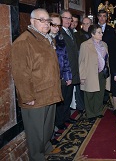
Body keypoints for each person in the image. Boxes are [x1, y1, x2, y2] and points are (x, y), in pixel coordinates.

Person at [11, 8, 63, 160]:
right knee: (35, 130)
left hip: (50, 92)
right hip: (35, 96)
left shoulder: (46, 38)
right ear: (32, 21)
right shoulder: (24, 42)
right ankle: (37, 155)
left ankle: (46, 147)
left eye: (48, 21)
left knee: (47, 126)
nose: (46, 24)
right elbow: (20, 72)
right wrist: (27, 96)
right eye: (42, 20)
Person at [49, 13, 72, 141]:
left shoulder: (60, 38)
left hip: (61, 76)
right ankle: (51, 132)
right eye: (54, 25)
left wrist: (68, 75)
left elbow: (65, 58)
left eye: (58, 25)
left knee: (59, 102)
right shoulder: (45, 39)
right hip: (50, 79)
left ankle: (53, 130)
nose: (57, 28)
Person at [55, 10, 79, 130]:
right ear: (61, 19)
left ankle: (66, 117)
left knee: (68, 96)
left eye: (70, 19)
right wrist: (66, 75)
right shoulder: (59, 33)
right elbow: (61, 56)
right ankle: (59, 121)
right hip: (65, 72)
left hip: (72, 70)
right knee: (62, 98)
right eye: (66, 18)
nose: (68, 21)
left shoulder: (70, 31)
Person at [79, 24, 108, 120]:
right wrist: (82, 77)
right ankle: (90, 113)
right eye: (99, 32)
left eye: (101, 32)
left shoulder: (104, 44)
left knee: (100, 94)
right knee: (89, 95)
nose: (101, 34)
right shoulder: (85, 45)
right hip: (90, 73)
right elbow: (81, 61)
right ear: (92, 34)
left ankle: (98, 111)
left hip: (101, 73)